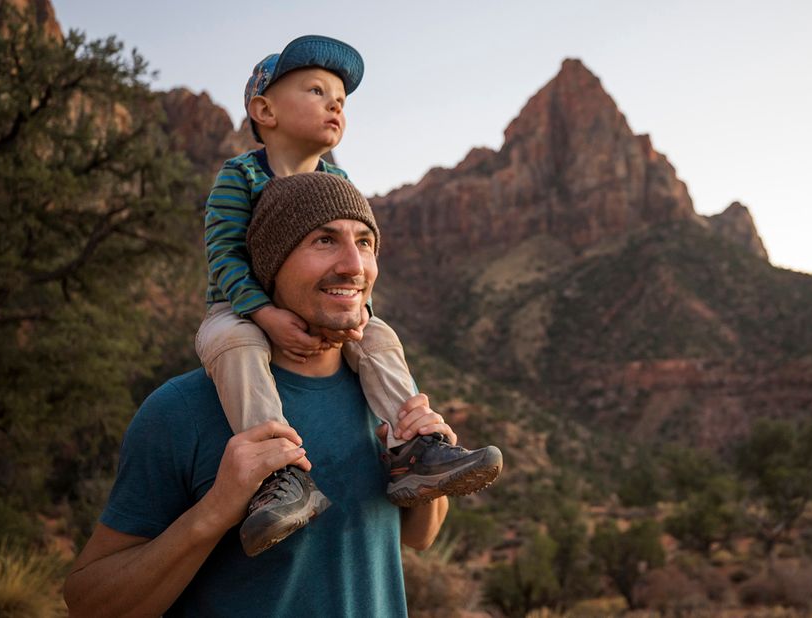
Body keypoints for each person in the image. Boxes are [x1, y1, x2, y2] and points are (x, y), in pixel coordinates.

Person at [65, 172, 465, 616]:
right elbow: (89, 603)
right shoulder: (182, 411)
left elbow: (418, 536)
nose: (354, 264)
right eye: (324, 240)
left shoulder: (385, 392)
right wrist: (216, 509)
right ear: (271, 264)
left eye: (366, 242)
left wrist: (423, 473)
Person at [195, 34, 501, 555]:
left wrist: (358, 317)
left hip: (329, 313)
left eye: (340, 96)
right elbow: (222, 252)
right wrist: (264, 312)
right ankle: (281, 476)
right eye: (316, 90)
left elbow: (351, 273)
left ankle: (413, 447)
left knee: (378, 335)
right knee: (233, 344)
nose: (335, 103)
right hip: (241, 308)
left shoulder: (339, 180)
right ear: (263, 109)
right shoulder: (241, 174)